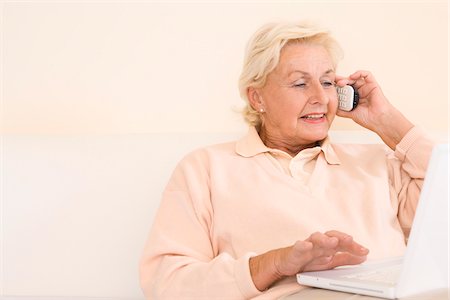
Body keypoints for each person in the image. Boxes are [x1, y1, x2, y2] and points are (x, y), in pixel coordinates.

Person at [139, 21, 435, 299]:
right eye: (299, 84)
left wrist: (388, 122)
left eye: (328, 82)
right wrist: (276, 263)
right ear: (257, 98)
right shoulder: (205, 168)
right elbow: (166, 283)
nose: (321, 97)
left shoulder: (377, 163)